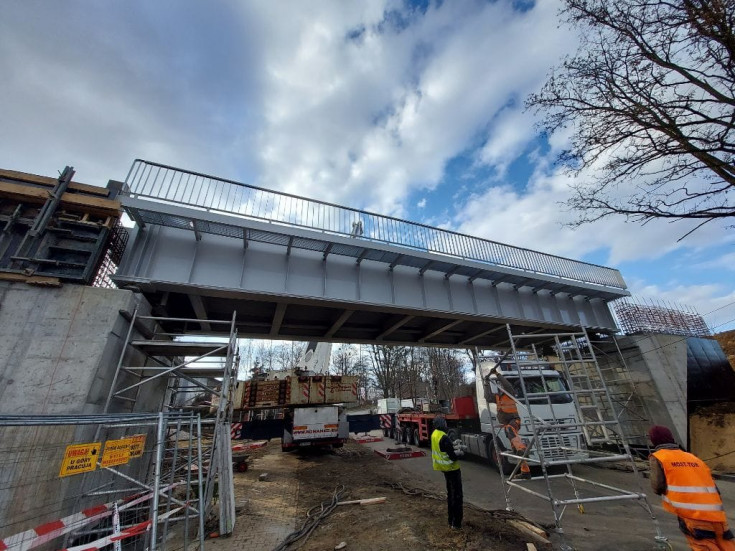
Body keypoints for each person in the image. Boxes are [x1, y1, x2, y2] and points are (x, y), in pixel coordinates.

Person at [648, 425, 734, 550]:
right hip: (717, 515)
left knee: (703, 546)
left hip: (693, 515)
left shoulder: (660, 458)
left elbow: (657, 486)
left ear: (654, 440)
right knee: (727, 545)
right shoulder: (693, 458)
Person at [488, 365, 531, 478]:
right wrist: (485, 383)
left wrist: (497, 374)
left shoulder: (510, 393)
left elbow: (507, 385)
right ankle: (525, 472)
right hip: (507, 423)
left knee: (510, 430)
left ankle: (522, 449)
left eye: (501, 386)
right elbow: (487, 397)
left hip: (514, 420)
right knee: (514, 448)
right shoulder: (497, 397)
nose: (500, 387)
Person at [431, 416, 464, 529]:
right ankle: (456, 524)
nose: (446, 424)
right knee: (457, 497)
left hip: (444, 469)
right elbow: (452, 456)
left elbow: (444, 449)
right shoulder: (444, 437)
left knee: (451, 495)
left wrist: (453, 445)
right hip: (452, 469)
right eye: (444, 422)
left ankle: (450, 521)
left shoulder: (435, 434)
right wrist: (459, 452)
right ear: (441, 424)